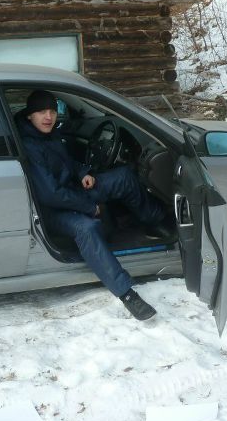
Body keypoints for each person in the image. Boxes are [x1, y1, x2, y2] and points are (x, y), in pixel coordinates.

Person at [19, 89, 168, 320]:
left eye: (51, 111)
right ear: (30, 115)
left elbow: (67, 161)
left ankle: (156, 221)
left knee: (124, 178)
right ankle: (126, 294)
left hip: (73, 191)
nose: (48, 116)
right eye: (41, 112)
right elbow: (50, 194)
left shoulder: (49, 135)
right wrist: (89, 207)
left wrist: (83, 172)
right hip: (53, 209)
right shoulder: (30, 145)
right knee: (87, 228)